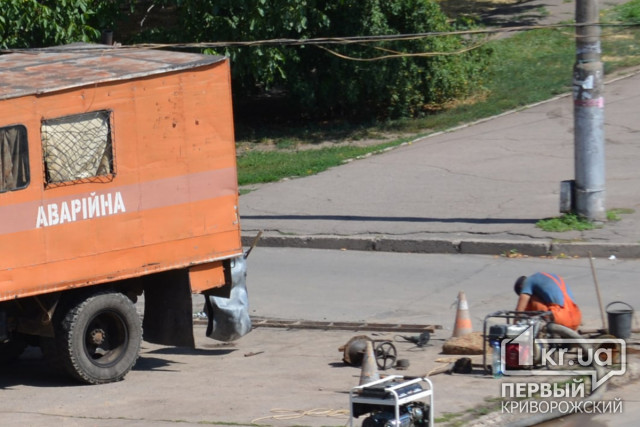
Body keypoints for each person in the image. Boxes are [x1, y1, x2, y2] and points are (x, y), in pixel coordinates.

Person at [514, 272, 582, 330]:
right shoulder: (543, 277)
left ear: (521, 286)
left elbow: (520, 309)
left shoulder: (528, 282)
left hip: (561, 317)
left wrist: (514, 327)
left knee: (530, 300)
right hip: (576, 317)